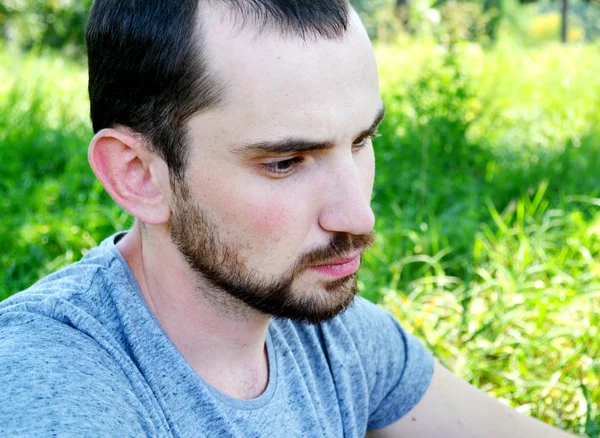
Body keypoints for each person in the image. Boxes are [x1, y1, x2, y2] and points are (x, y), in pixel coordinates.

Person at [0, 1, 576, 436]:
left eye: (361, 141)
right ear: (139, 175)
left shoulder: (333, 337)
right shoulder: (51, 384)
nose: (359, 215)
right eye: (284, 162)